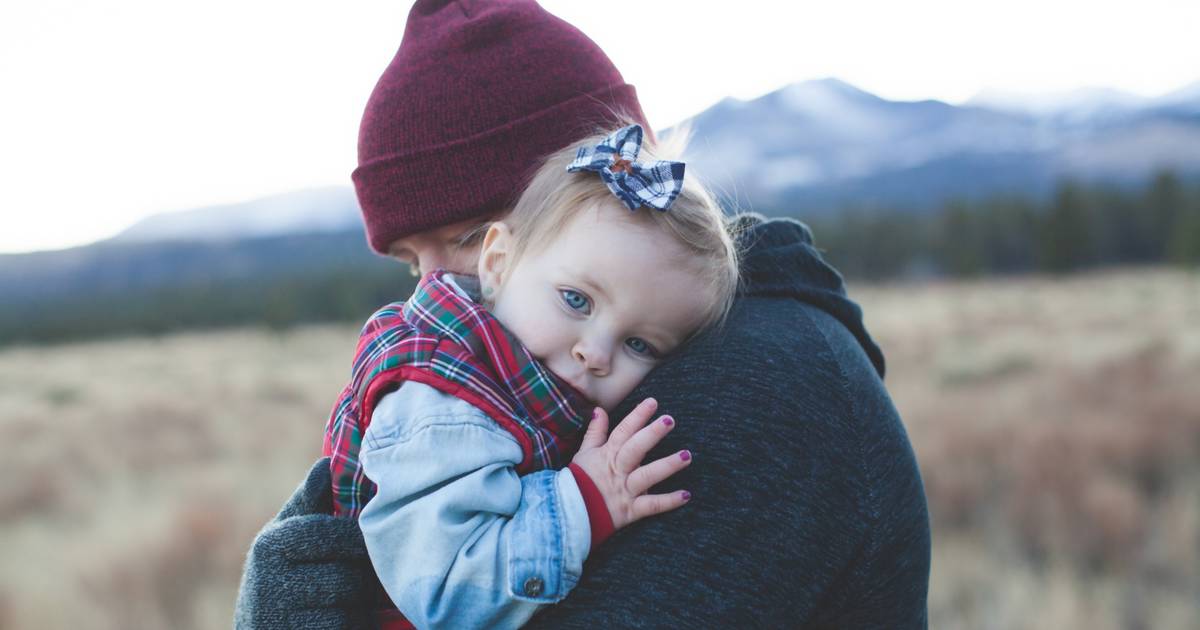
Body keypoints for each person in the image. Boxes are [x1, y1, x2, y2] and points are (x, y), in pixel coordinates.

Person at [235, 1, 931, 628]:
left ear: (599, 189)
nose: (434, 294)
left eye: (470, 239)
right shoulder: (546, 377)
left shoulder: (755, 389)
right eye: (411, 264)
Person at [326, 123, 739, 628]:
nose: (595, 353)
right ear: (497, 263)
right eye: (576, 300)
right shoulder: (444, 405)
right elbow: (449, 595)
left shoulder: (522, 381)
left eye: (640, 344)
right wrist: (583, 501)